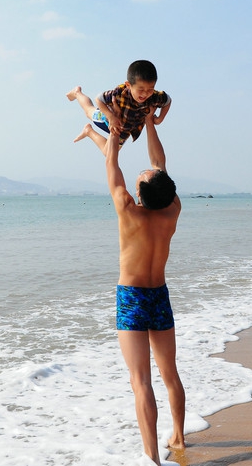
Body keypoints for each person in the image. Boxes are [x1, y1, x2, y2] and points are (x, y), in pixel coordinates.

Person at [85, 114, 185, 465]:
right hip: (159, 295)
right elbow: (160, 167)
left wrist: (111, 135)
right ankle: (179, 435)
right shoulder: (172, 210)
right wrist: (151, 124)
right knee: (169, 373)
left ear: (139, 193)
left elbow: (112, 164)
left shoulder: (128, 211)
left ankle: (153, 458)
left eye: (141, 176)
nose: (144, 170)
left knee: (140, 380)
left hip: (131, 299)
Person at [67, 59, 172, 147]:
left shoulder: (155, 96)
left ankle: (88, 131)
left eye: (150, 89)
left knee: (108, 153)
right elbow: (99, 99)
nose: (145, 94)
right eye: (140, 89)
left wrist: (160, 119)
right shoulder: (120, 93)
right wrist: (111, 117)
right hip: (107, 118)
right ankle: (77, 93)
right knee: (88, 111)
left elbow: (168, 101)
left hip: (124, 129)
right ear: (128, 85)